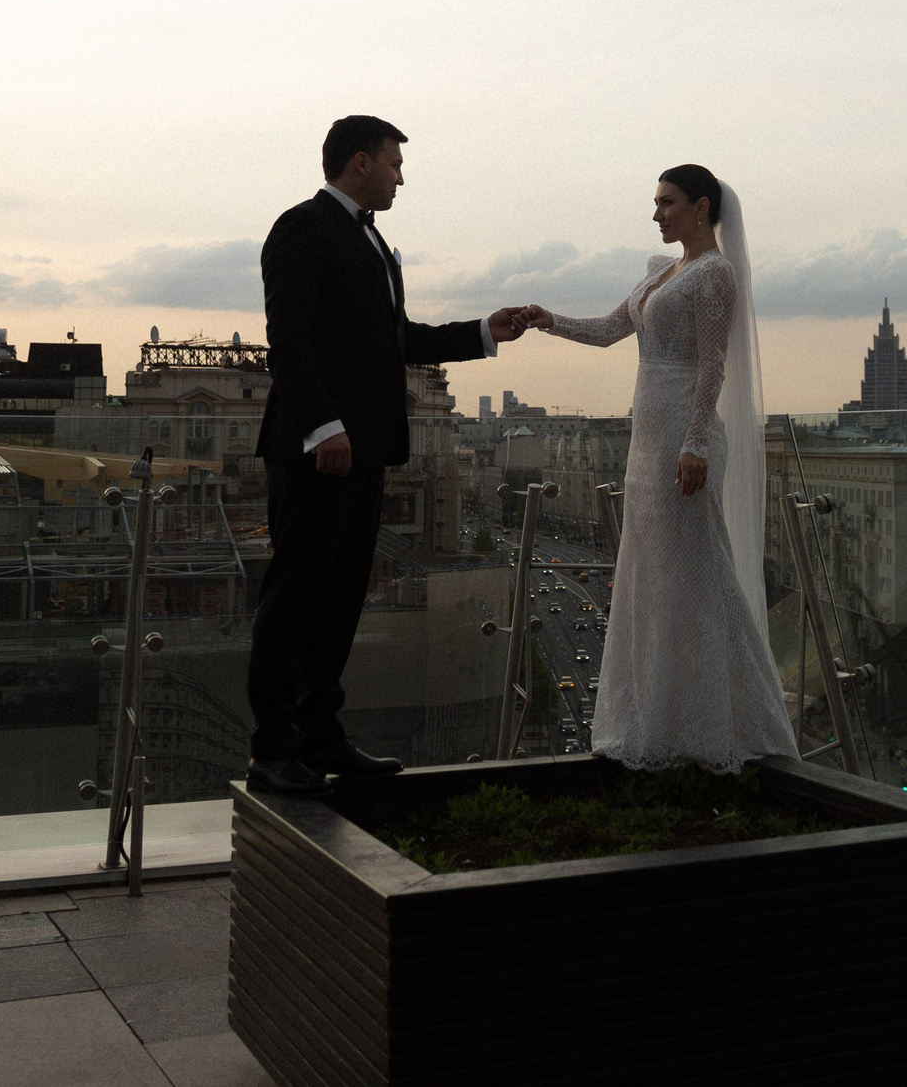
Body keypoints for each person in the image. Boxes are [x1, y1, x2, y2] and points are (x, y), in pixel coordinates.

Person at [246, 115, 531, 797]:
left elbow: (394, 340)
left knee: (340, 598)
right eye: (395, 162)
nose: (403, 176)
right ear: (360, 162)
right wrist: (324, 428)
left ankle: (321, 738)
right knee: (295, 600)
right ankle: (273, 750)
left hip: (363, 452)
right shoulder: (302, 228)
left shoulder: (371, 242)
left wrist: (481, 333)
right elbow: (289, 342)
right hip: (319, 452)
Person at [516, 165, 796, 771]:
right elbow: (609, 331)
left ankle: (722, 724)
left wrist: (696, 441)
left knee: (696, 572)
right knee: (654, 577)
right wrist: (548, 320)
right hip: (648, 440)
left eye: (666, 203)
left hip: (684, 438)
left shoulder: (715, 275)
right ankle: (660, 722)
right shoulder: (660, 273)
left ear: (701, 207)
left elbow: (713, 366)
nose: (656, 214)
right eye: (655, 202)